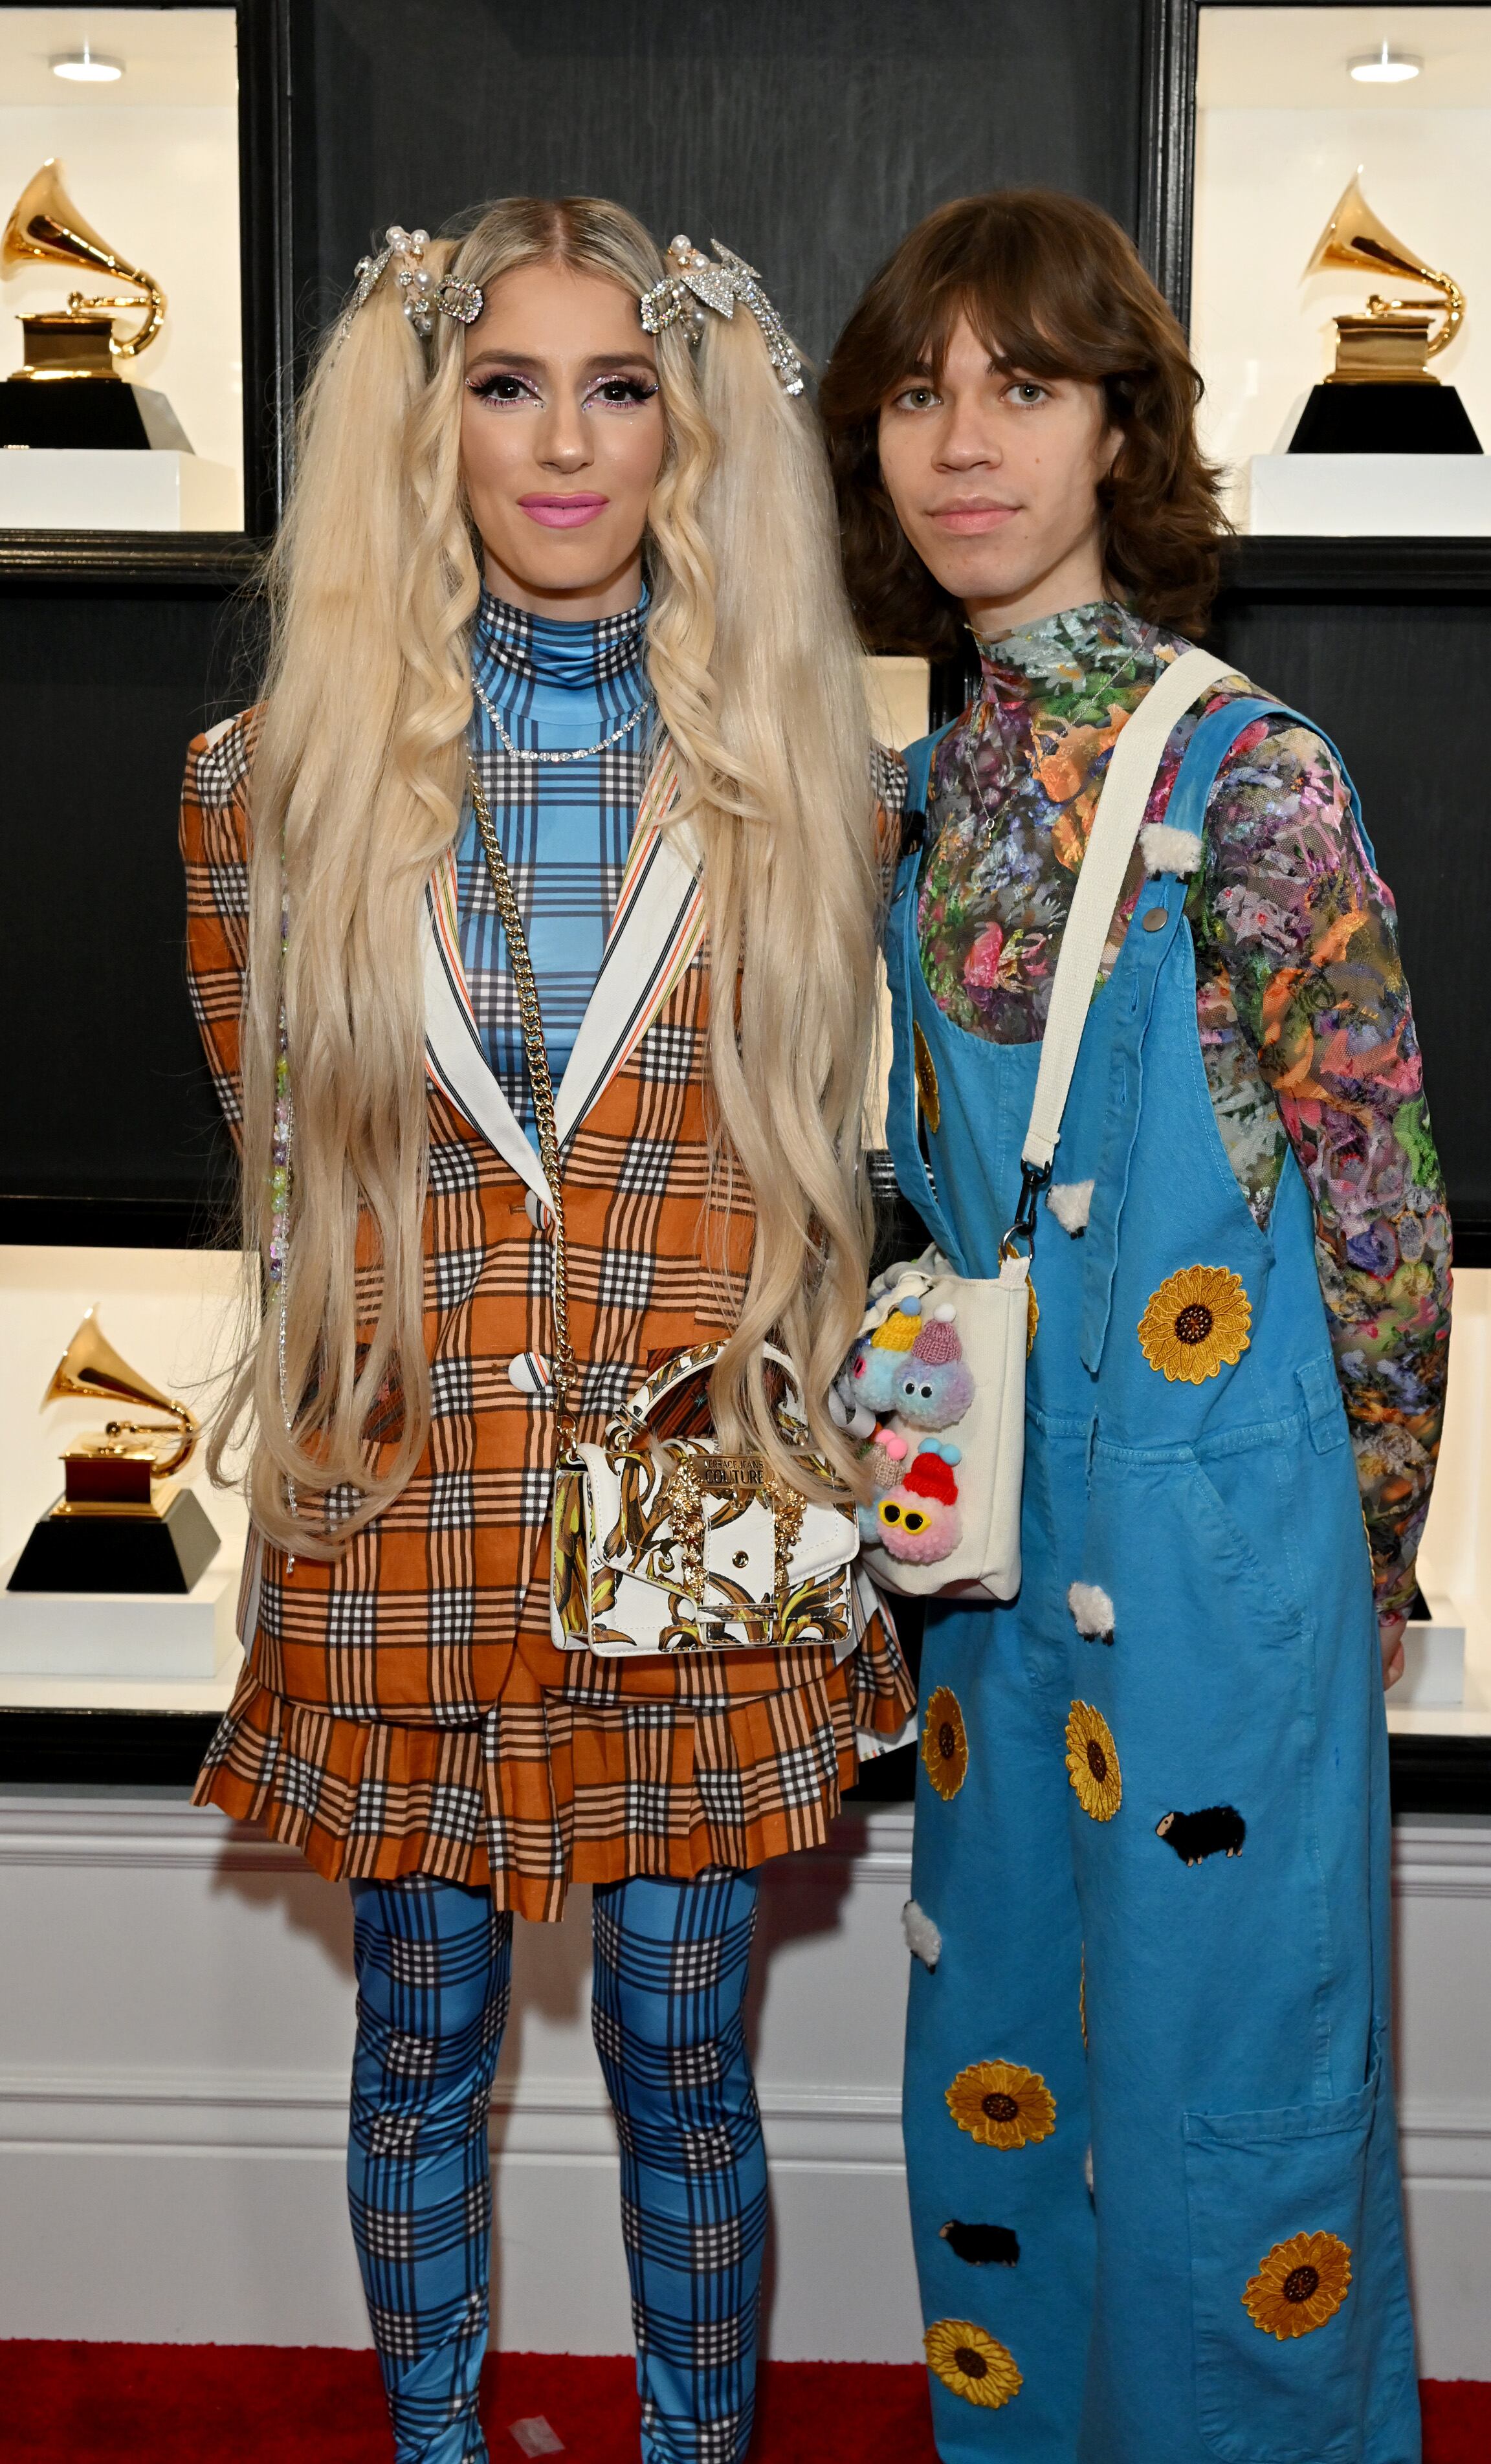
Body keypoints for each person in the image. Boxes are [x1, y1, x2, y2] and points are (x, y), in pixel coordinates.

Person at [180, 196, 913, 2464]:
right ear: (430, 425)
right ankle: (434, 2439)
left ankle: (693, 2446)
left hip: (701, 1515)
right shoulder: (256, 787)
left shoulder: (817, 781)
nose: (566, 444)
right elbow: (286, 1175)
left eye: (621, 390)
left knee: (688, 2056)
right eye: (507, 385)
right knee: (415, 2034)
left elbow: (856, 1169)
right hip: (403, 1498)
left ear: (689, 437)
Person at [821, 188, 1448, 2463]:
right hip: (988, 1545)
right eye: (917, 393)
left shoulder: (1251, 778)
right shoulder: (908, 799)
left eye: (1024, 388)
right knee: (995, 2054)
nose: (962, 442)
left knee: (1227, 2086)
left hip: (1222, 1545)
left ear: (1118, 436)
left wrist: (1365, 1559)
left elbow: (1379, 1203)